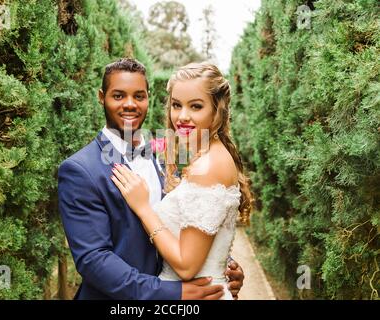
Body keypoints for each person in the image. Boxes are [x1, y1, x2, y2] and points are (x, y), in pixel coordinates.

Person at [58, 58, 245, 300]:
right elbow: (94, 261)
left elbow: (187, 223)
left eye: (138, 96)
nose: (129, 104)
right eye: (118, 96)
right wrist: (171, 293)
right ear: (101, 97)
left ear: (149, 98)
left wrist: (220, 265)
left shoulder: (160, 160)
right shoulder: (79, 170)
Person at [111, 62, 252, 300]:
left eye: (196, 106)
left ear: (217, 110)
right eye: (176, 105)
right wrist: (223, 263)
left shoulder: (208, 166)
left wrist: (144, 209)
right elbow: (202, 228)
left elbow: (187, 266)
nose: (182, 116)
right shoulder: (204, 156)